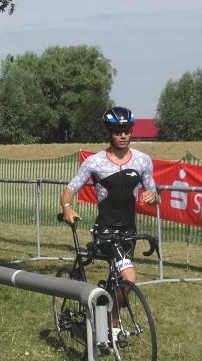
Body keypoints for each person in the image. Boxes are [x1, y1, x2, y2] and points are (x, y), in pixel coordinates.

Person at [59, 106, 158, 333]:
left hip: (129, 231)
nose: (123, 135)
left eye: (127, 130)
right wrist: (67, 207)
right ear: (109, 132)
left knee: (120, 281)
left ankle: (106, 319)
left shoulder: (143, 161)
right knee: (129, 277)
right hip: (105, 230)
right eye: (117, 131)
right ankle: (110, 322)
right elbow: (70, 190)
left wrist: (154, 197)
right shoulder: (94, 162)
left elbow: (155, 195)